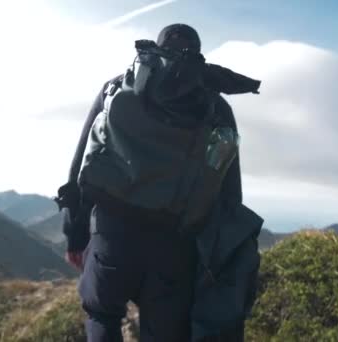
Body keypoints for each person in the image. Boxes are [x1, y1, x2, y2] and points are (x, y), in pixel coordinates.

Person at [55, 23, 261, 342]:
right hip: (174, 243)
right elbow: (227, 187)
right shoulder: (215, 106)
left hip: (112, 231)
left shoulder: (117, 88)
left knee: (102, 314)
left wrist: (75, 234)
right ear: (198, 53)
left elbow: (83, 160)